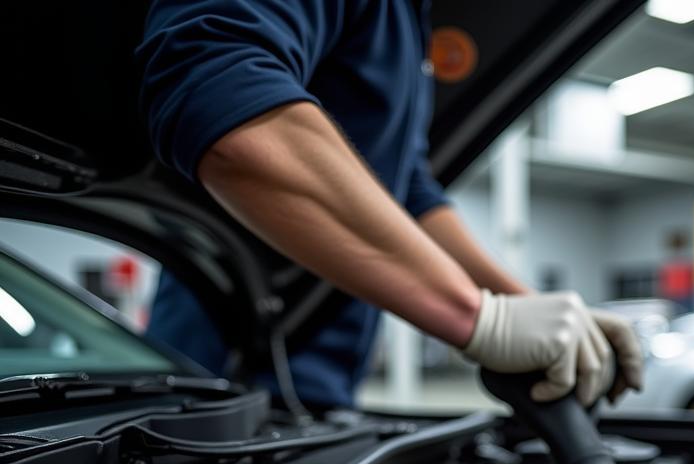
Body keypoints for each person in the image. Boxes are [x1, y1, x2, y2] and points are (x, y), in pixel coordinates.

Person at [136, 0, 644, 409]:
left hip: (320, 394)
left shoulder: (409, 22)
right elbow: (223, 93)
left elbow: (409, 192)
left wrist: (520, 304)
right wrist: (478, 318)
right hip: (216, 381)